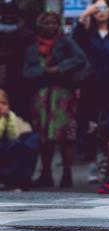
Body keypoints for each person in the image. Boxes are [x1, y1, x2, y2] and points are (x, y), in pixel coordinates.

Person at [23, 11, 88, 188]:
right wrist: (42, 72)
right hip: (41, 95)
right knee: (44, 136)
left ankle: (67, 173)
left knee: (66, 135)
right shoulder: (32, 46)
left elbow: (80, 58)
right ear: (40, 25)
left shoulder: (65, 42)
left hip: (63, 94)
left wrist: (59, 68)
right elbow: (26, 71)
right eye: (47, 23)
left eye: (54, 23)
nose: (51, 26)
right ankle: (46, 173)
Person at [73, 0, 109, 182]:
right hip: (91, 87)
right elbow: (75, 40)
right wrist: (85, 14)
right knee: (91, 126)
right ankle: (93, 163)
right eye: (98, 8)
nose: (101, 11)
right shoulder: (88, 36)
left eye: (105, 7)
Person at [0, 0, 35, 122]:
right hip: (2, 82)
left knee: (21, 114)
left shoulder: (27, 35)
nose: (8, 16)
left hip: (21, 81)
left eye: (11, 13)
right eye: (5, 13)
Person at [0, 89, 39, 191]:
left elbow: (21, 132)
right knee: (17, 146)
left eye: (4, 103)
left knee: (31, 140)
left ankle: (21, 181)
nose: (1, 106)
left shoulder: (12, 118)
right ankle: (16, 181)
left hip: (11, 146)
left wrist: (8, 120)